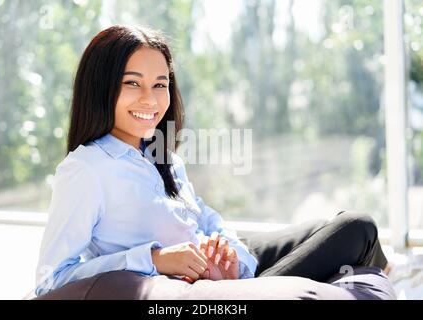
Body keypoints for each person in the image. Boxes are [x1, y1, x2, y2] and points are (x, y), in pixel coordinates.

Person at [34, 25, 390, 297]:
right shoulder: (86, 170)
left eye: (160, 85)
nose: (151, 100)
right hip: (199, 284)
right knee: (357, 228)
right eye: (132, 83)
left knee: (331, 226)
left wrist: (234, 257)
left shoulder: (160, 154)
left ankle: (382, 278)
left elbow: (203, 215)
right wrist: (154, 259)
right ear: (101, 88)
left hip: (222, 260)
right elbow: (52, 280)